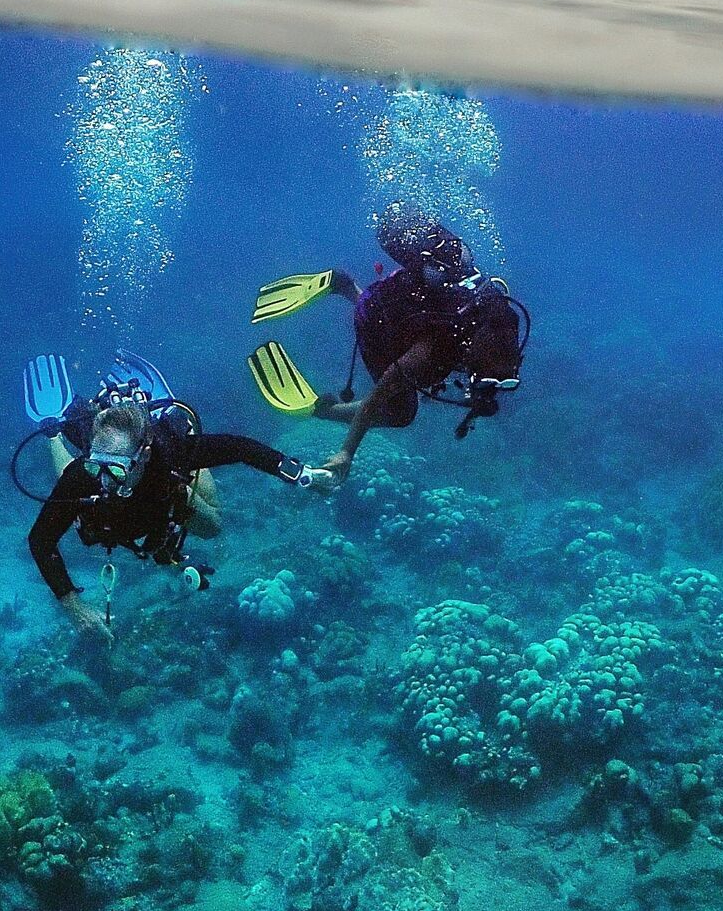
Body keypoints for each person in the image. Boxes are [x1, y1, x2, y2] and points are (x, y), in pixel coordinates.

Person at [249, 211, 528, 484]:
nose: (493, 381)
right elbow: (376, 398)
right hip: (376, 314)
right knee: (400, 413)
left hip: (406, 304)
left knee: (403, 352)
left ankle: (344, 285)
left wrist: (482, 398)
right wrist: (346, 453)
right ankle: (324, 410)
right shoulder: (432, 349)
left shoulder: (500, 337)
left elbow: (490, 376)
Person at [28, 390, 333, 640]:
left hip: (164, 487)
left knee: (212, 525)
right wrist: (74, 607)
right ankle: (54, 435)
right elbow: (41, 540)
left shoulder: (169, 454)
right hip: (108, 509)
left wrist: (300, 474)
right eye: (97, 466)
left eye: (116, 470)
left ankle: (174, 447)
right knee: (71, 481)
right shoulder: (85, 474)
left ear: (144, 455)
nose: (105, 481)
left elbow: (239, 448)